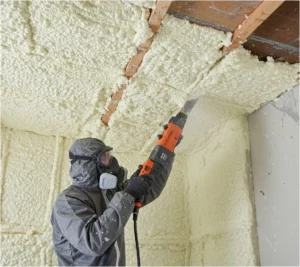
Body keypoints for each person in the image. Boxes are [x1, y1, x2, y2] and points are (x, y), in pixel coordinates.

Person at [51, 137, 174, 266]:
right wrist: (128, 193)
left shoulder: (110, 194)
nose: (111, 163)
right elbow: (94, 242)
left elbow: (151, 189)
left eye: (109, 156)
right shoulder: (68, 202)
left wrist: (166, 150)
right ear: (87, 165)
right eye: (104, 158)